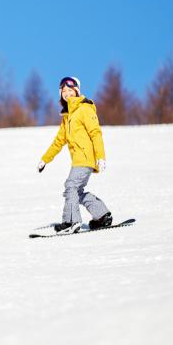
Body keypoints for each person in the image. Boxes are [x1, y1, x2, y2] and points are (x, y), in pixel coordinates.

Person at [37, 76, 112, 234]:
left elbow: (95, 133)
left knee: (70, 186)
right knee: (76, 192)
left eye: (70, 90)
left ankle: (71, 221)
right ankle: (102, 215)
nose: (66, 93)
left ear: (77, 91)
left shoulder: (84, 108)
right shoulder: (67, 117)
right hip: (78, 160)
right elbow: (58, 142)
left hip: (85, 159)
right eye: (63, 91)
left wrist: (101, 157)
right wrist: (45, 159)